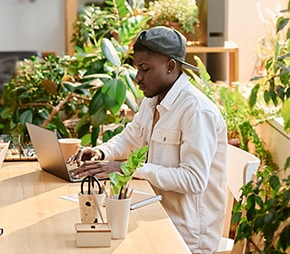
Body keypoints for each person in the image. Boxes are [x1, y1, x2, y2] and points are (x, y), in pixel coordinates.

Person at [70, 26, 227, 254]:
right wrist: (101, 152)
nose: (137, 77)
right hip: (152, 211)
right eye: (137, 68)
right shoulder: (153, 99)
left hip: (186, 236)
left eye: (145, 69)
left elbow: (194, 180)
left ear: (170, 66)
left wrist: (130, 169)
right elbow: (130, 138)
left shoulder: (197, 111)